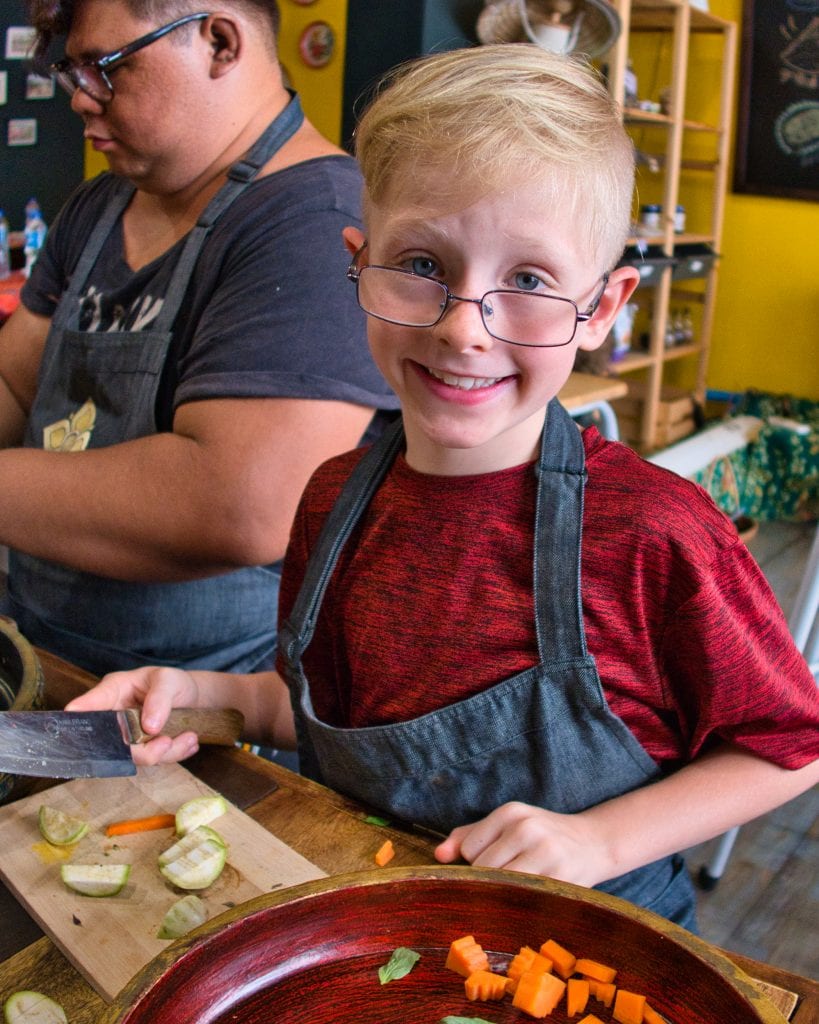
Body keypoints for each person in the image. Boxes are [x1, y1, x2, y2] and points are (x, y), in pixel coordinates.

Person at [67, 44, 819, 929]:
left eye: (529, 280)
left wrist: (599, 843)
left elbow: (788, 746)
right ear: (358, 262)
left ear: (604, 307)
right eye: (422, 265)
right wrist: (204, 695)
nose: (464, 328)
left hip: (586, 945)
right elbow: (328, 713)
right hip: (368, 921)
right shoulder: (333, 500)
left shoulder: (651, 532)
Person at [0, 0, 397, 677]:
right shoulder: (98, 208)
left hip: (209, 699)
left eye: (104, 67)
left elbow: (234, 505)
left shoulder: (315, 222)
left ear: (218, 42)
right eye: (71, 71)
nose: (81, 100)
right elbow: (15, 386)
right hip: (47, 650)